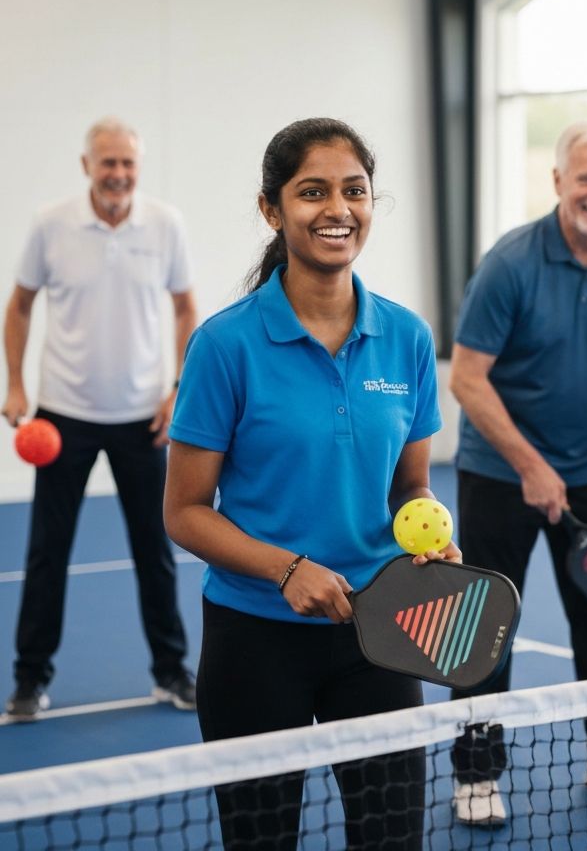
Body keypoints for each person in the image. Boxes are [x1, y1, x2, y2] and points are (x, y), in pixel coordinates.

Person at [164, 117, 456, 851]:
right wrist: (285, 569)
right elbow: (186, 512)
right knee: (261, 841)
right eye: (312, 192)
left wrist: (430, 527)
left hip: (380, 634)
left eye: (354, 191)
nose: (338, 209)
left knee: (392, 840)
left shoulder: (408, 338)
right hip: (255, 640)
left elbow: (411, 485)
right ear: (272, 209)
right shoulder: (225, 346)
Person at [447, 119, 587, 827]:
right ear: (557, 182)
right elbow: (466, 378)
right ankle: (476, 774)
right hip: (497, 472)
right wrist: (529, 465)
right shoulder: (510, 263)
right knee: (484, 625)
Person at [2, 117, 197, 722]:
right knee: (47, 552)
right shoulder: (50, 223)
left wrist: (176, 389)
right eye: (107, 162)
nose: (118, 174)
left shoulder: (165, 225)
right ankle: (30, 679)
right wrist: (15, 384)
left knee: (155, 550)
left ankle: (170, 672)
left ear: (139, 168)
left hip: (144, 417)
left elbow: (187, 308)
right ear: (86, 165)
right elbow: (21, 305)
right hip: (65, 416)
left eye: (128, 164)